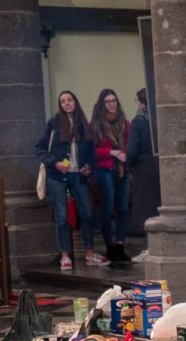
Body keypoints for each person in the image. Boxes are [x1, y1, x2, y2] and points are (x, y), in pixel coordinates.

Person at [35, 90, 107, 270]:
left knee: (87, 213)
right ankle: (65, 255)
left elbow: (90, 152)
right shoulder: (53, 124)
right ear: (60, 105)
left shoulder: (83, 125)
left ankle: (90, 253)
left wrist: (88, 166)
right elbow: (40, 149)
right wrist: (55, 163)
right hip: (57, 175)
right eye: (63, 101)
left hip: (78, 174)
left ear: (75, 102)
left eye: (70, 100)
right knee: (61, 216)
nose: (67, 103)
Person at [89, 88, 131, 262]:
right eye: (108, 102)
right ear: (102, 104)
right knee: (107, 208)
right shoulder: (96, 125)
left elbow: (130, 143)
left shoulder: (125, 123)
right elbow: (92, 151)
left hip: (123, 169)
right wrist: (111, 152)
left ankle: (120, 244)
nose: (111, 104)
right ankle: (109, 246)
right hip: (105, 169)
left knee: (122, 208)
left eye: (114, 101)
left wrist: (125, 153)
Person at [126, 88, 160, 260]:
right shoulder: (159, 118)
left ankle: (149, 248)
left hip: (143, 170)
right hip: (160, 167)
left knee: (147, 210)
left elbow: (132, 150)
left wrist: (128, 163)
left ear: (141, 102)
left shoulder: (139, 121)